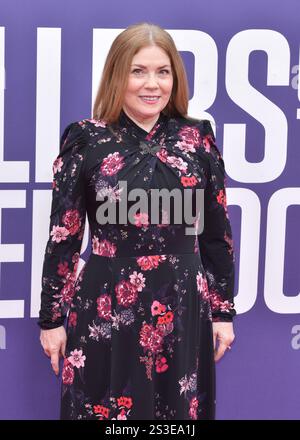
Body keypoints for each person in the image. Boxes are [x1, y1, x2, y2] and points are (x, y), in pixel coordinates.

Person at [38, 22, 236, 421]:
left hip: (183, 306)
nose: (152, 84)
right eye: (138, 71)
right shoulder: (87, 139)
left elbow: (217, 235)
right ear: (117, 75)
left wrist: (223, 311)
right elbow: (64, 236)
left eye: (163, 72)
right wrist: (51, 320)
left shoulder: (197, 139)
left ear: (174, 78)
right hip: (106, 304)